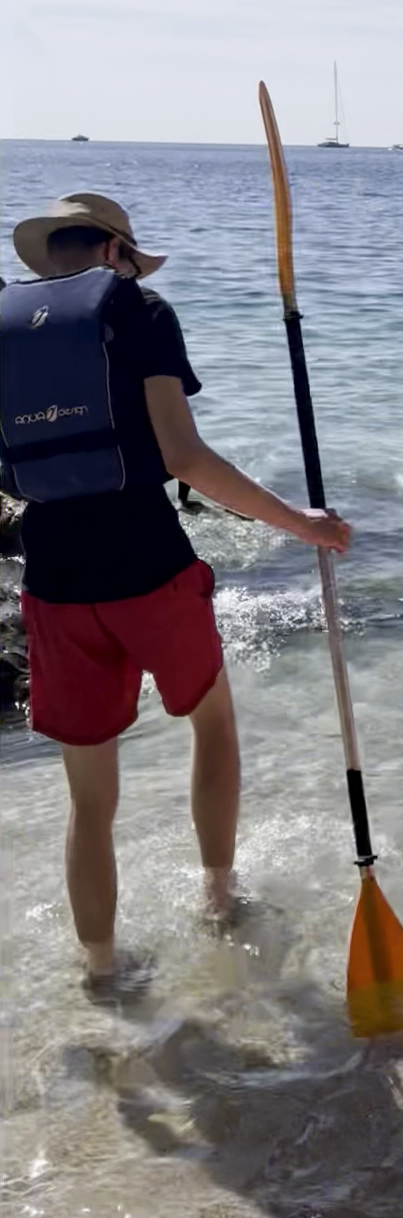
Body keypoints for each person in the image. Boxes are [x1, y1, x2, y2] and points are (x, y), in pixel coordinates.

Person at [0, 193, 352, 993]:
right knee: (213, 723)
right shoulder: (141, 310)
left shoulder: (5, 327)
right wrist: (299, 523)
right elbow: (185, 457)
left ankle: (101, 973)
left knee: (89, 800)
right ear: (115, 250)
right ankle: (220, 900)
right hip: (150, 567)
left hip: (52, 581)